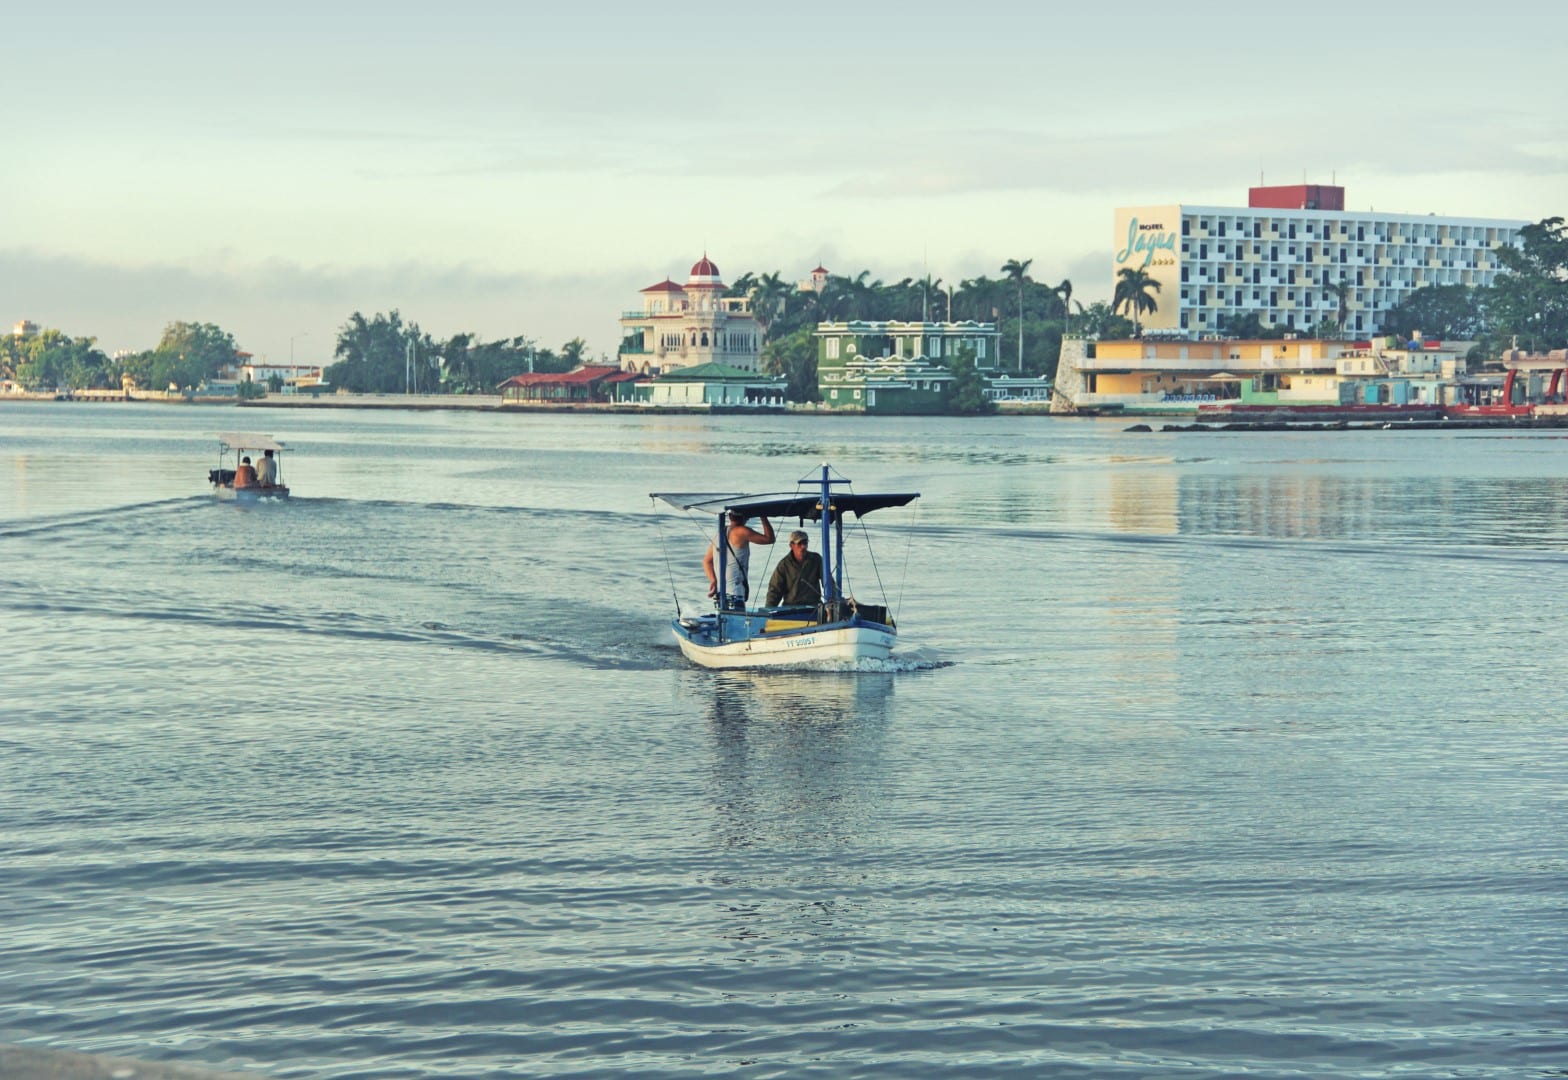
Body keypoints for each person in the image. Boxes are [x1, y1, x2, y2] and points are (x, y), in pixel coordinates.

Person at [703, 510, 774, 610]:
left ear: (730, 516)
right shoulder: (741, 531)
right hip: (734, 593)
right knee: (737, 623)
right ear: (746, 517)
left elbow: (707, 561)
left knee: (724, 622)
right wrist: (763, 516)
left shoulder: (720, 533)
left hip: (720, 592)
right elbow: (769, 539)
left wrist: (713, 581)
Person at [766, 530, 824, 608]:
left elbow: (828, 582)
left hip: (813, 607)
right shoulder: (784, 564)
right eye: (800, 543)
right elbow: (775, 590)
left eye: (805, 543)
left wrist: (835, 600)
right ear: (791, 545)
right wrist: (768, 610)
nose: (803, 546)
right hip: (791, 608)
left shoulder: (816, 559)